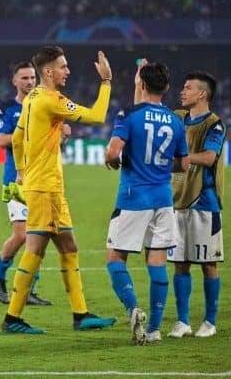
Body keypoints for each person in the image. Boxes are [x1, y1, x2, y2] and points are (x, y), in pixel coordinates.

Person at [2, 46, 116, 334]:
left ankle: (81, 315)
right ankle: (12, 318)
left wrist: (20, 171)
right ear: (49, 71)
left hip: (43, 185)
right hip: (46, 189)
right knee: (35, 249)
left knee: (69, 247)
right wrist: (106, 82)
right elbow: (97, 116)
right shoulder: (50, 100)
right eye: (63, 67)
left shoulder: (32, 98)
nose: (68, 71)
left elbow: (17, 138)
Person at [105, 60, 189, 345]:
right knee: (157, 262)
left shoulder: (128, 114)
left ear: (141, 84)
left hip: (133, 197)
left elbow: (112, 152)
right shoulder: (177, 121)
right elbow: (184, 165)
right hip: (163, 200)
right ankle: (154, 329)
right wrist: (161, 165)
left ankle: (133, 308)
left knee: (115, 258)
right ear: (166, 87)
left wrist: (117, 160)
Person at [167, 71, 225, 338]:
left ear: (202, 94)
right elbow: (148, 111)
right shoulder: (178, 118)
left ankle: (210, 321)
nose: (182, 91)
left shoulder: (214, 124)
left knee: (207, 264)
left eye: (188, 88)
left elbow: (209, 156)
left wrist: (179, 160)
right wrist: (140, 84)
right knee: (180, 263)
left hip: (205, 202)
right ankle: (182, 321)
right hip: (177, 201)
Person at [0, 62, 53, 306]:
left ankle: (28, 289)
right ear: (14, 81)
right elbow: (2, 139)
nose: (29, 81)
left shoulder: (44, 105)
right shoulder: (7, 108)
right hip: (15, 180)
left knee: (39, 236)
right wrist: (29, 134)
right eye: (24, 78)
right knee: (22, 234)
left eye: (32, 77)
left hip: (42, 179)